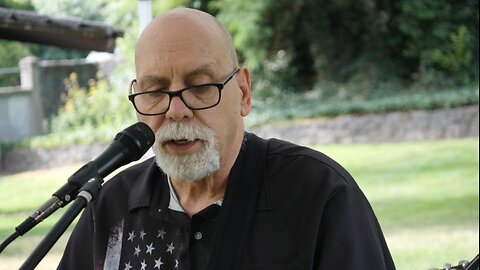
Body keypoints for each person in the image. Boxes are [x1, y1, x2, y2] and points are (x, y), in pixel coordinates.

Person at [58, 7, 396, 270]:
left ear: (244, 92)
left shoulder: (319, 193)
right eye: (155, 91)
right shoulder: (107, 208)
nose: (176, 111)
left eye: (201, 86)